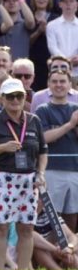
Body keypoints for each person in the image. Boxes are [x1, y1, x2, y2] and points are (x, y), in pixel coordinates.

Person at [0, 78, 48, 270]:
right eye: (10, 96)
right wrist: (3, 147)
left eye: (18, 95)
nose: (15, 100)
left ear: (24, 97)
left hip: (28, 179)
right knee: (0, 226)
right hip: (1, 178)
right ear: (2, 98)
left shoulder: (34, 120)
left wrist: (41, 173)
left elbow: (43, 151)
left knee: (26, 228)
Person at [35, 69, 78, 232]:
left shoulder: (76, 108)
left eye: (62, 81)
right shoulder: (42, 109)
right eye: (55, 81)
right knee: (52, 217)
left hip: (75, 169)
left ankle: (69, 255)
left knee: (72, 216)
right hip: (51, 169)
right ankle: (54, 253)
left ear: (69, 85)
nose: (58, 85)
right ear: (48, 85)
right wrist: (70, 125)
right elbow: (44, 138)